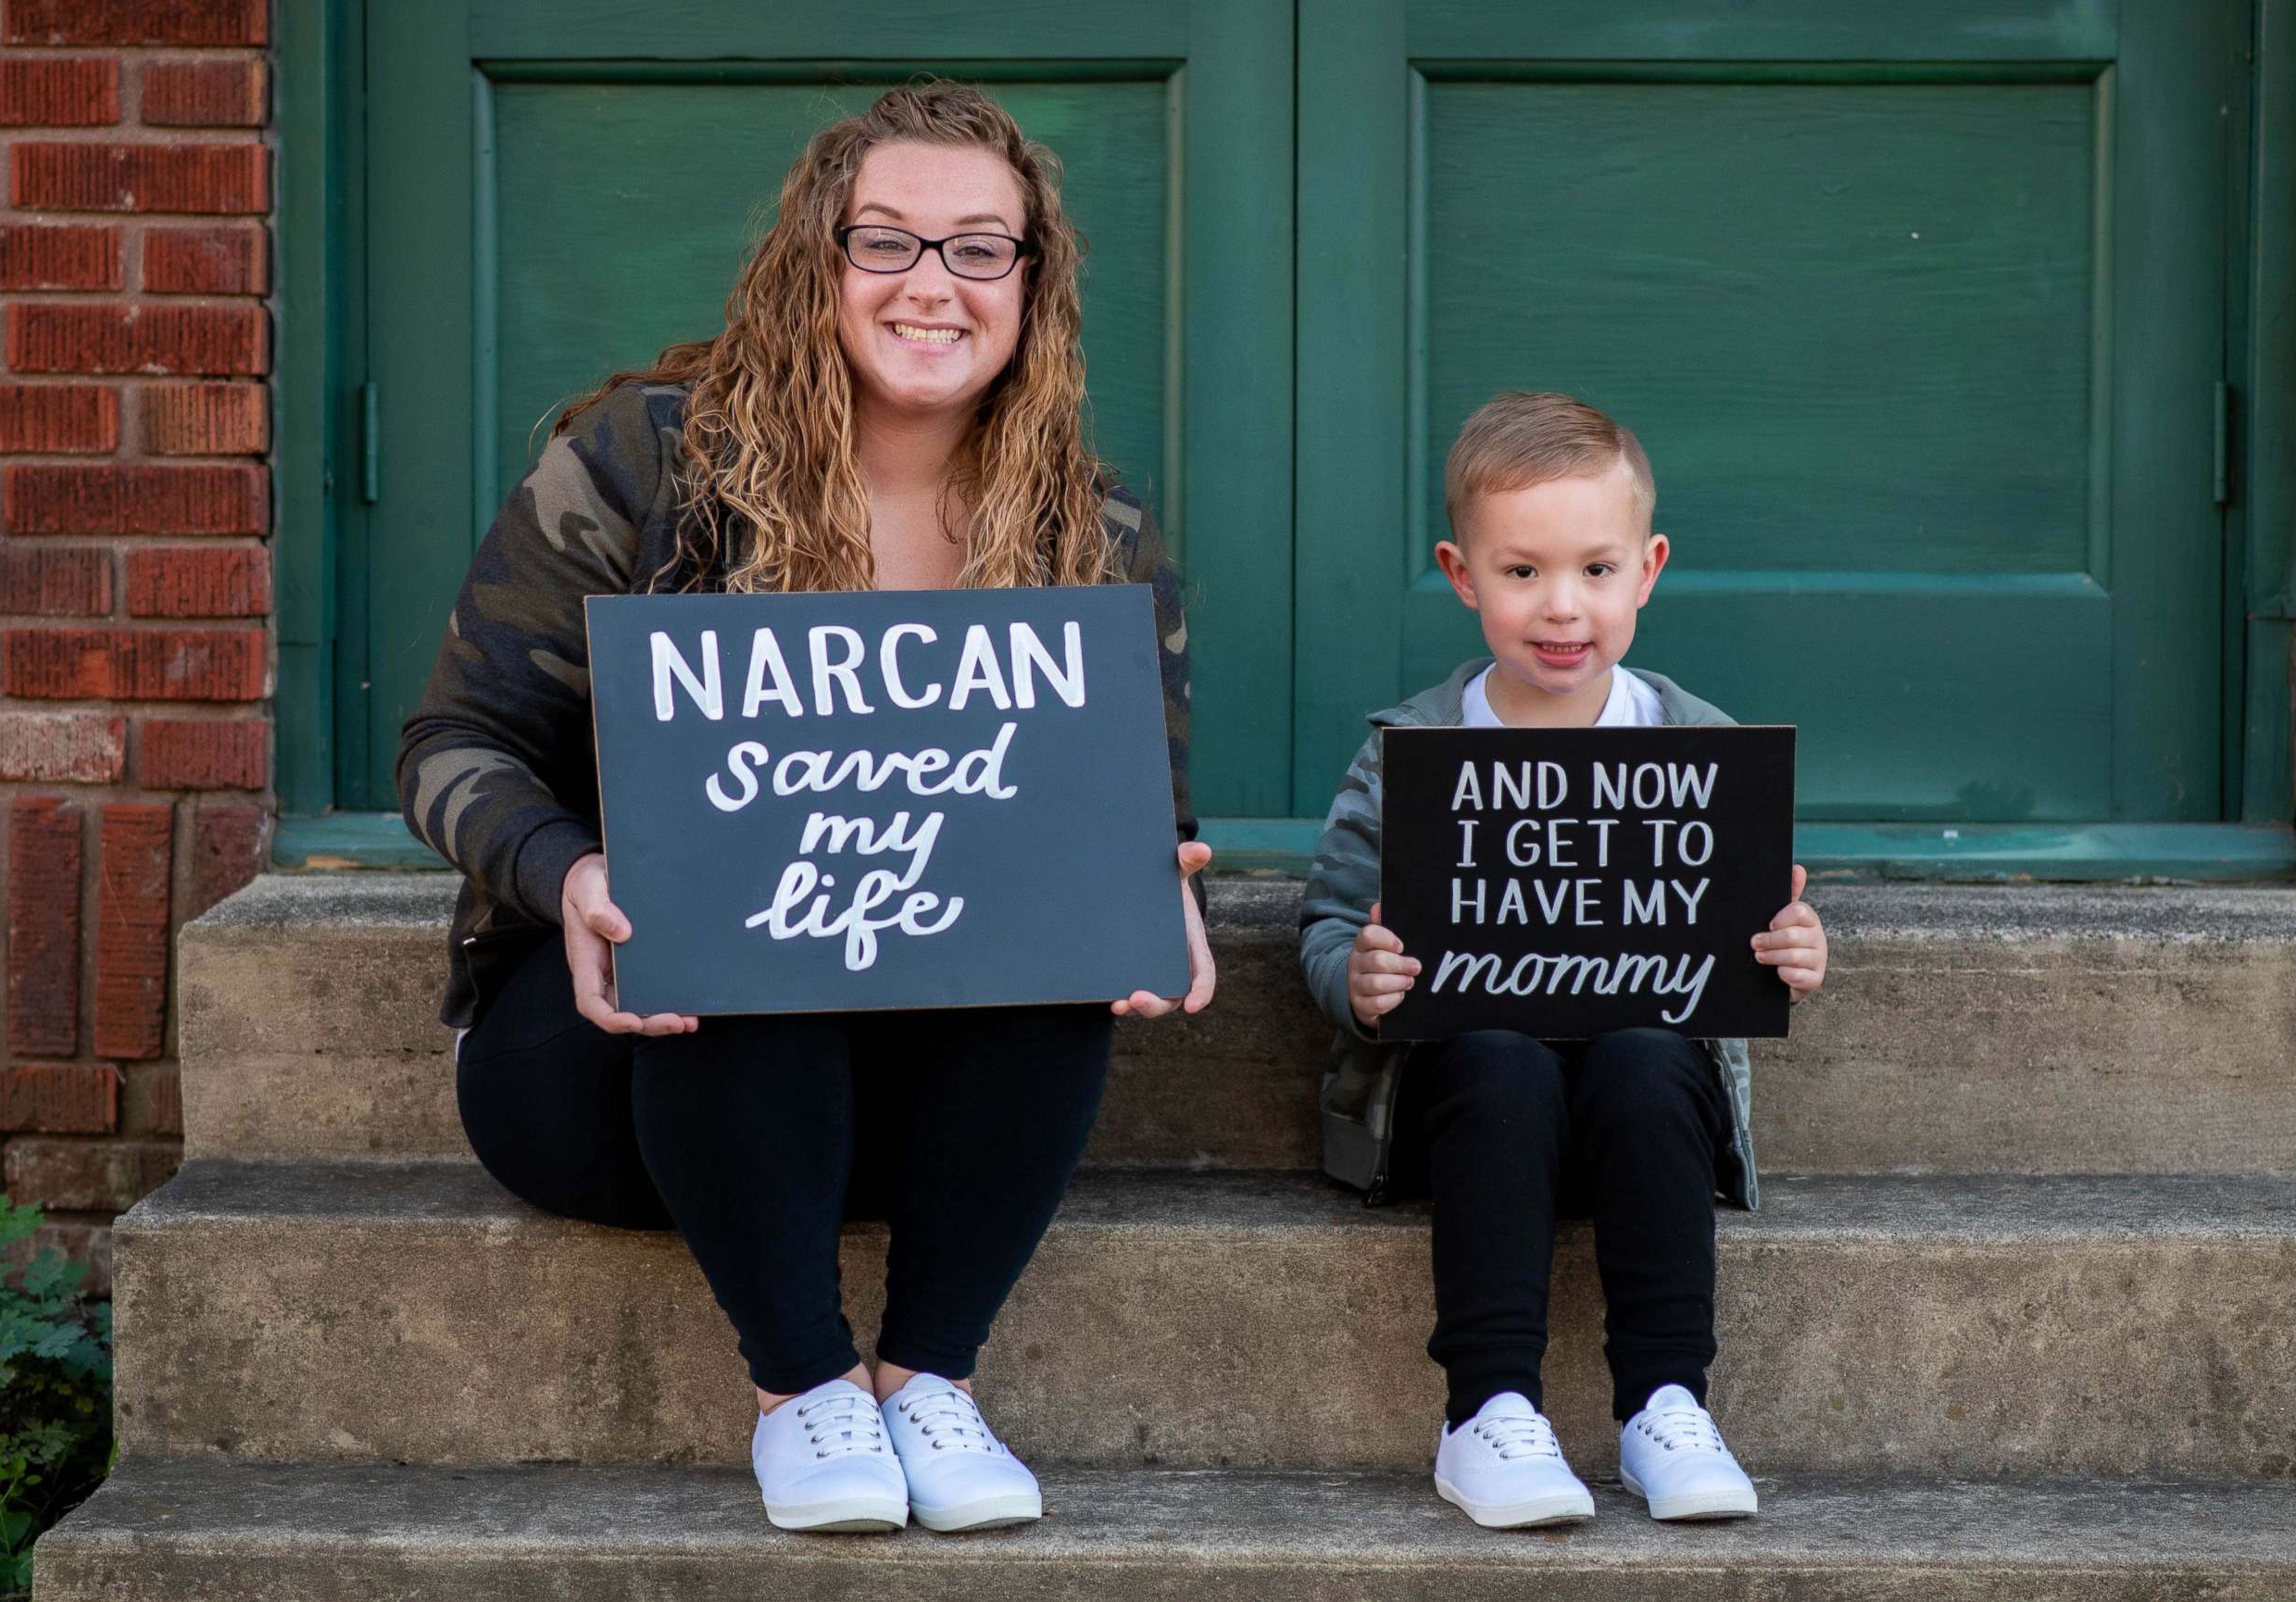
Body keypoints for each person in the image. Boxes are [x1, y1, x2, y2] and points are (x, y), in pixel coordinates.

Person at [396, 80, 1214, 1537]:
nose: (931, 285)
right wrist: (568, 871)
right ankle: (804, 1388)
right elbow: (453, 742)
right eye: (886, 240)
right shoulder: (644, 461)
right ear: (817, 263)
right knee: (744, 904)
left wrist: (1160, 896)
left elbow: (1136, 818)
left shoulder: (1094, 534)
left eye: (979, 248)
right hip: (624, 1057)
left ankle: (927, 1379)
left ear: (1031, 284)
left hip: (921, 1093)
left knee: (1050, 949)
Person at [1298, 392, 1827, 1529]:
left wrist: (1790, 948)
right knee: (1496, 1052)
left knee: (1645, 1056)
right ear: (1461, 572)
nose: (1562, 607)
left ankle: (1666, 1403)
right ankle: (1487, 1410)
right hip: (1478, 1107)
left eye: (1595, 569)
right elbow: (1329, 926)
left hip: (1642, 1107)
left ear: (1649, 568)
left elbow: (1751, 921)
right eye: (1522, 571)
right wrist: (1361, 978)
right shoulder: (1411, 754)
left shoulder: (1697, 744)